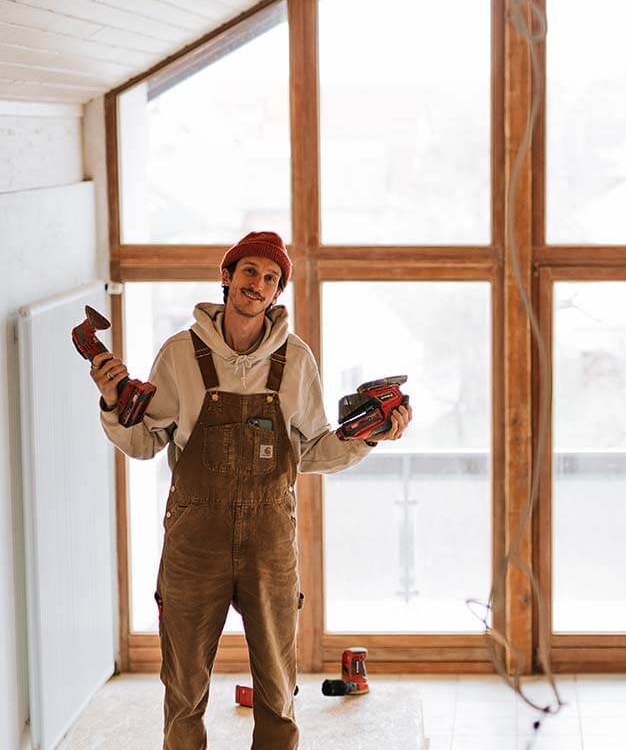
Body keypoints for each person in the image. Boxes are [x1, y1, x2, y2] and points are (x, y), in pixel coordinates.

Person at [90, 231, 411, 750]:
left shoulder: (296, 361)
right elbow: (146, 442)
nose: (257, 284)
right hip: (195, 544)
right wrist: (111, 403)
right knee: (184, 689)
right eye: (249, 272)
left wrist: (370, 437)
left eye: (270, 278)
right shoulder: (179, 354)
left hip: (269, 542)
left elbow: (310, 452)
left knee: (279, 691)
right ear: (227, 276)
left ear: (278, 291)